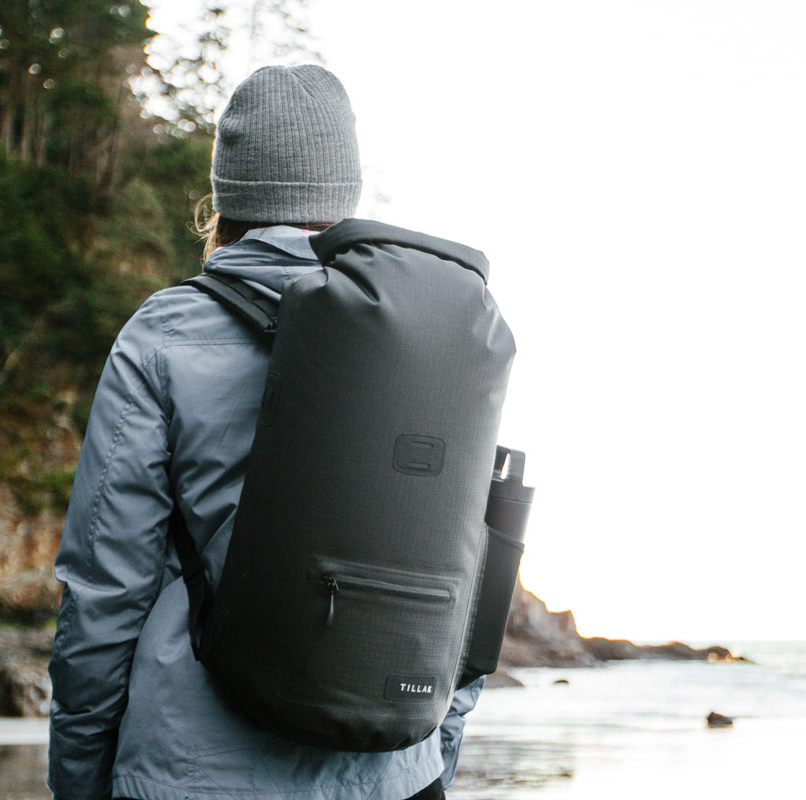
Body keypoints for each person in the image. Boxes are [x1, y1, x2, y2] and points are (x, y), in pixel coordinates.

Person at [47, 64, 484, 800]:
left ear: (227, 199)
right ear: (343, 196)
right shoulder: (435, 337)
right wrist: (432, 754)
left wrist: (78, 780)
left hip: (192, 773)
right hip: (393, 776)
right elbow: (470, 574)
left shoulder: (164, 334)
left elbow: (104, 590)